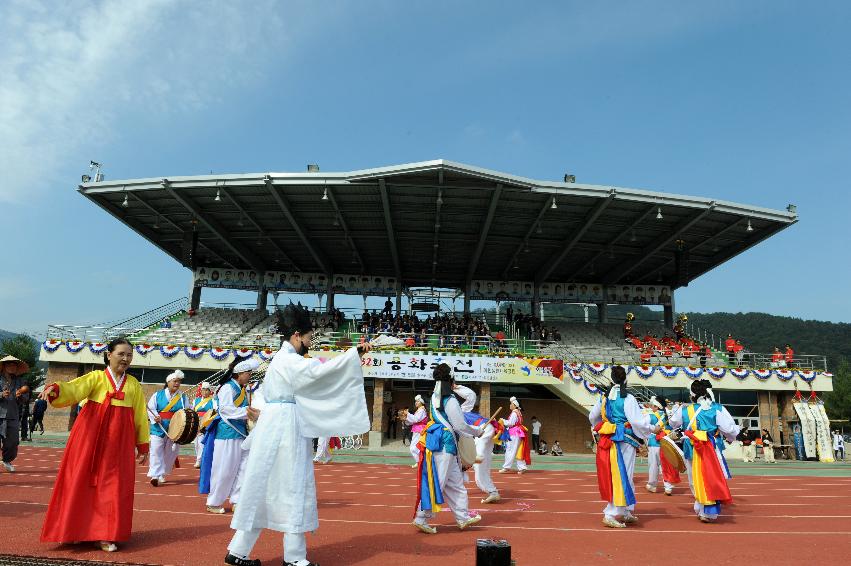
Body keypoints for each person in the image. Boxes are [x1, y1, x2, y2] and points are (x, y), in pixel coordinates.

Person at [225, 303, 372, 566]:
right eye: (308, 336)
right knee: (295, 485)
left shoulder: (282, 360)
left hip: (276, 423)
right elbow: (319, 372)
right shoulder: (290, 360)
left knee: (262, 487)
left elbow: (311, 374)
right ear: (296, 335)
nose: (309, 341)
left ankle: (237, 552)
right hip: (286, 426)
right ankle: (293, 558)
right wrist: (353, 354)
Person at [39, 338, 150, 552]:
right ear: (109, 354)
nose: (125, 359)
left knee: (113, 487)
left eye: (129, 355)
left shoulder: (134, 385)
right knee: (80, 482)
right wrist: (56, 389)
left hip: (119, 445)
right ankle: (75, 531)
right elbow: (73, 389)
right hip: (90, 440)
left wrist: (142, 446)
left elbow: (140, 417)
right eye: (121, 354)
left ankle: (105, 534)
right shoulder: (96, 378)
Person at [412, 364, 484, 534]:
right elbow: (459, 424)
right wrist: (477, 431)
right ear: (451, 381)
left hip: (443, 445)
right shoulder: (449, 399)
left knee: (456, 484)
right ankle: (421, 518)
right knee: (440, 481)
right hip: (444, 445)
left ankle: (463, 518)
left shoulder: (434, 399)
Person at [589, 366, 654, 528]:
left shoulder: (604, 397)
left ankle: (625, 510)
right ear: (625, 379)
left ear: (611, 379)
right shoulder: (628, 398)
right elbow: (637, 421)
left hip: (609, 438)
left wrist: (604, 426)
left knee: (618, 475)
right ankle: (611, 513)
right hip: (624, 439)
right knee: (623, 475)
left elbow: (592, 417)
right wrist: (650, 427)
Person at [669, 379, 740, 523]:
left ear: (692, 395)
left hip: (692, 447)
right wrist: (733, 435)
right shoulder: (717, 408)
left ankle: (701, 506)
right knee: (711, 478)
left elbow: (672, 422)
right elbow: (729, 429)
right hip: (710, 448)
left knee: (694, 479)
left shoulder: (685, 410)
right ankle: (707, 509)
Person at [200, 356, 259, 514]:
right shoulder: (227, 388)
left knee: (243, 468)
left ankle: (237, 500)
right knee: (224, 469)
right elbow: (226, 410)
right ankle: (214, 502)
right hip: (227, 433)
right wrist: (249, 414)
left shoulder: (241, 389)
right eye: (248, 373)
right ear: (239, 374)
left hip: (241, 433)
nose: (250, 376)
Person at [453, 384, 500, 504]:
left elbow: (471, 396)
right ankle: (492, 491)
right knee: (482, 463)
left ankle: (492, 491)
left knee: (478, 462)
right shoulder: (456, 416)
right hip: (485, 431)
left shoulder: (459, 412)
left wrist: (456, 388)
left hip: (483, 430)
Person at [147, 370, 187, 486]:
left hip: (175, 429)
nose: (177, 383)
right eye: (174, 381)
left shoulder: (183, 397)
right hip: (158, 427)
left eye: (179, 382)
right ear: (168, 382)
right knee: (156, 451)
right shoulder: (157, 395)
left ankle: (162, 474)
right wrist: (156, 417)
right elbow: (151, 408)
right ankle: (155, 475)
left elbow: (187, 412)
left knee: (170, 453)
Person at [645, 396, 680, 496]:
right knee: (666, 465)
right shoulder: (668, 415)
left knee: (653, 465)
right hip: (666, 442)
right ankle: (668, 487)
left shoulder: (650, 416)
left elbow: (643, 426)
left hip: (654, 443)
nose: (651, 407)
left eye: (653, 405)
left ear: (657, 406)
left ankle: (652, 485)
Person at [1, 355, 29, 471]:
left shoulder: (20, 381)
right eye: (9, 364)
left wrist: (20, 396)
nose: (12, 367)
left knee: (12, 443)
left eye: (14, 365)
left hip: (13, 416)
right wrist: (1, 395)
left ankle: (7, 460)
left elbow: (26, 397)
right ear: (4, 366)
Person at [499, 396, 531, 474]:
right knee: (517, 450)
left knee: (510, 450)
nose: (510, 405)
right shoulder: (518, 412)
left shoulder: (514, 413)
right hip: (518, 432)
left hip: (514, 433)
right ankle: (522, 467)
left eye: (511, 404)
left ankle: (506, 467)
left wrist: (503, 421)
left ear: (515, 405)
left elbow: (510, 423)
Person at [193, 382, 216, 468]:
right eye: (203, 390)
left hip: (207, 423)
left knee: (202, 442)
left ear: (210, 391)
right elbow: (193, 412)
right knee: (196, 443)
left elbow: (214, 412)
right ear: (201, 391)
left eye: (207, 390)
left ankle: (200, 460)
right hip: (197, 423)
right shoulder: (196, 400)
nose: (205, 392)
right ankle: (199, 459)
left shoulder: (213, 401)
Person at [403, 395, 428, 468]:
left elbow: (415, 419)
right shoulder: (419, 410)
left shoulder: (421, 410)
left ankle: (420, 462)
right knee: (415, 447)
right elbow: (413, 421)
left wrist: (407, 414)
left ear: (421, 402)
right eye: (416, 401)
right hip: (417, 430)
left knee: (414, 448)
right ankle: (419, 461)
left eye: (417, 401)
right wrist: (406, 419)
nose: (416, 403)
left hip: (420, 430)